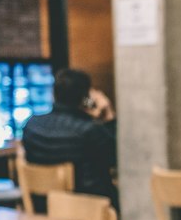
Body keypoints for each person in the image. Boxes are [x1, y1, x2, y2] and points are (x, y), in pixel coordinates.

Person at [22, 68, 117, 201]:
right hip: (88, 207)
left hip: (42, 206)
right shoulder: (88, 131)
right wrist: (109, 116)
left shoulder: (32, 125)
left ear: (54, 94)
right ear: (86, 98)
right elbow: (117, 159)